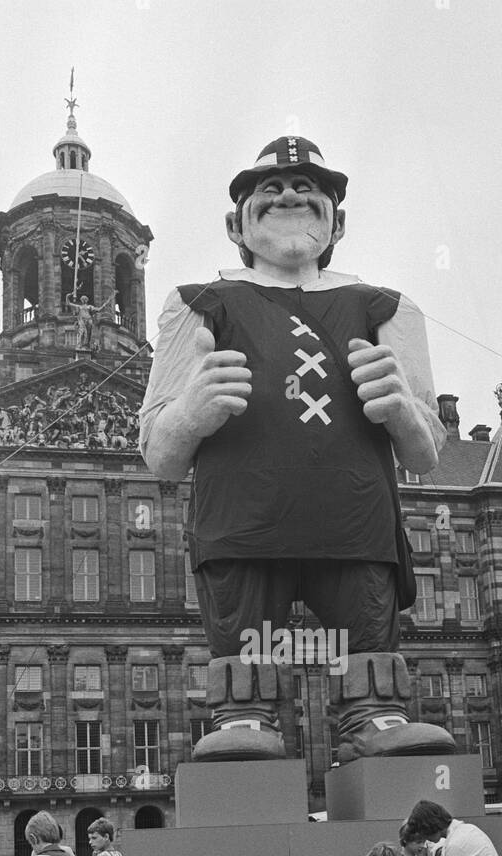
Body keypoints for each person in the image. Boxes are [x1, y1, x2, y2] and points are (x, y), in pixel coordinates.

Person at [139, 135, 453, 764]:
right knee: (245, 644)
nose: (289, 193)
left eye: (309, 187)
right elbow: (159, 454)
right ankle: (244, 718)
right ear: (235, 224)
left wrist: (403, 409)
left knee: (367, 633)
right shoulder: (196, 304)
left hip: (356, 522)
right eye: (270, 188)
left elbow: (425, 455)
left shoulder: (388, 308)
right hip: (243, 523)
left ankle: (373, 717)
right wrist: (190, 413)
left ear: (339, 222)